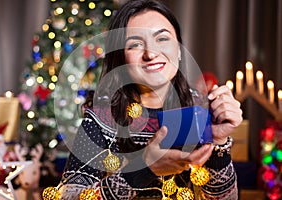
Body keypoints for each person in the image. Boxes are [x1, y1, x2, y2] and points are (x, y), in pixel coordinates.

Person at [58, 0, 243, 199]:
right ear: (120, 57)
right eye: (135, 44)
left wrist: (218, 142)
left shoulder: (201, 110)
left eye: (162, 38)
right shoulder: (101, 120)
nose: (151, 54)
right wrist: (143, 169)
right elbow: (69, 196)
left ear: (179, 49)